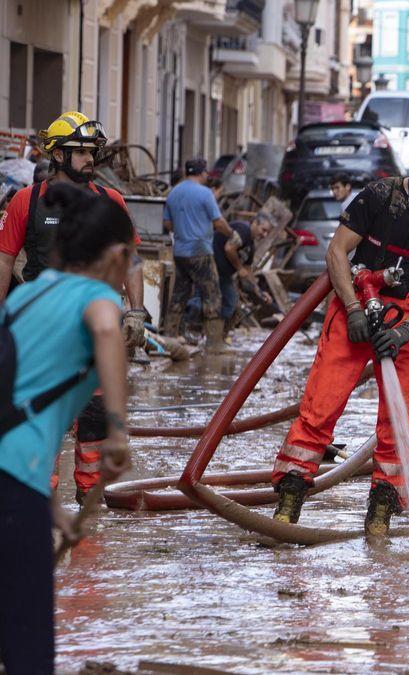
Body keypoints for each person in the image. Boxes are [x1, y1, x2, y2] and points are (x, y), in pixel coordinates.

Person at [270, 129, 409, 537]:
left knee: (400, 419)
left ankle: (382, 512)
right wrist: (351, 308)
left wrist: (406, 329)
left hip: (405, 312)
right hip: (354, 304)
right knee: (321, 404)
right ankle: (289, 501)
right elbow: (337, 251)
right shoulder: (379, 196)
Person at [0, 184, 133, 675]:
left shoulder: (25, 296)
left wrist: (54, 513)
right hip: (12, 485)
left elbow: (16, 403)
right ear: (117, 255)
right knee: (28, 646)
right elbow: (104, 328)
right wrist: (118, 429)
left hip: (16, 482)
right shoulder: (97, 298)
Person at [0, 111, 145, 502]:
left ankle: (89, 504)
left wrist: (135, 311)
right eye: (80, 152)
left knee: (93, 423)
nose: (90, 159)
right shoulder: (25, 204)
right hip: (42, 334)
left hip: (87, 334)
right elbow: (3, 260)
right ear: (58, 156)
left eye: (92, 152)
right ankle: (40, 502)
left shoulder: (109, 201)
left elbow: (131, 256)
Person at [162, 156, 235, 353]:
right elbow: (218, 222)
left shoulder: (173, 193)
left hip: (180, 252)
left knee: (179, 295)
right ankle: (214, 342)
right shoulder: (205, 193)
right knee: (212, 295)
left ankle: (169, 337)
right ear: (202, 174)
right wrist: (232, 234)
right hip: (201, 251)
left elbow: (168, 224)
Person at [211, 213, 273, 339]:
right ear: (255, 223)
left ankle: (217, 337)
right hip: (211, 269)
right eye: (263, 230)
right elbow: (229, 248)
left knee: (232, 303)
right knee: (203, 301)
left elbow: (248, 272)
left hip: (224, 276)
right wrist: (239, 268)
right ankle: (196, 332)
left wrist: (260, 292)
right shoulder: (243, 229)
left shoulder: (251, 246)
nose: (264, 235)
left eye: (267, 232)